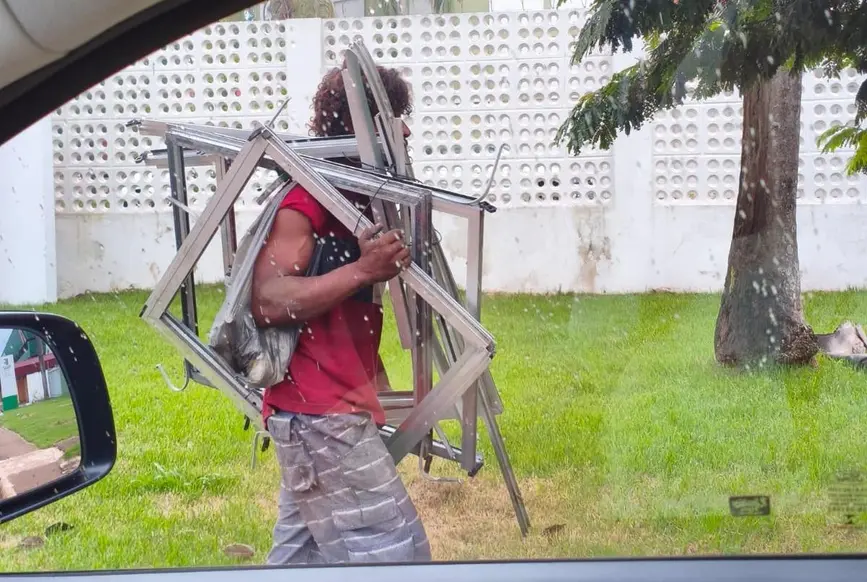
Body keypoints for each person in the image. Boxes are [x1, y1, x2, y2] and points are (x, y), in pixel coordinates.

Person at [250, 64, 431, 565]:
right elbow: (267, 300)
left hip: (322, 413)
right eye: (396, 118)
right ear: (365, 126)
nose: (407, 130)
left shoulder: (353, 197)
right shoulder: (306, 199)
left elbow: (344, 313)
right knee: (399, 558)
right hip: (319, 419)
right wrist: (362, 271)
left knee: (302, 562)